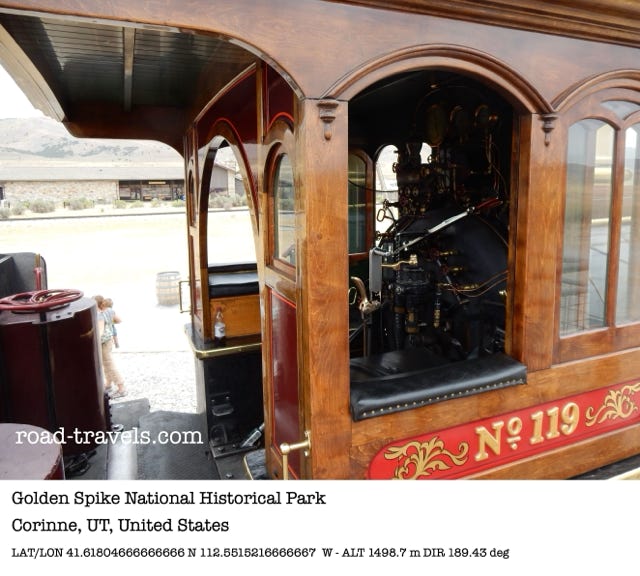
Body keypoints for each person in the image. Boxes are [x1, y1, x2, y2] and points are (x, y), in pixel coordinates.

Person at [93, 294, 127, 399]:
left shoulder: (98, 315)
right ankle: (108, 384)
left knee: (109, 364)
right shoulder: (109, 311)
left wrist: (93, 340)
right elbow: (119, 320)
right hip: (109, 340)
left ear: (95, 304)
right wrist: (109, 322)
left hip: (103, 342)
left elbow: (100, 331)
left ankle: (121, 388)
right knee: (106, 363)